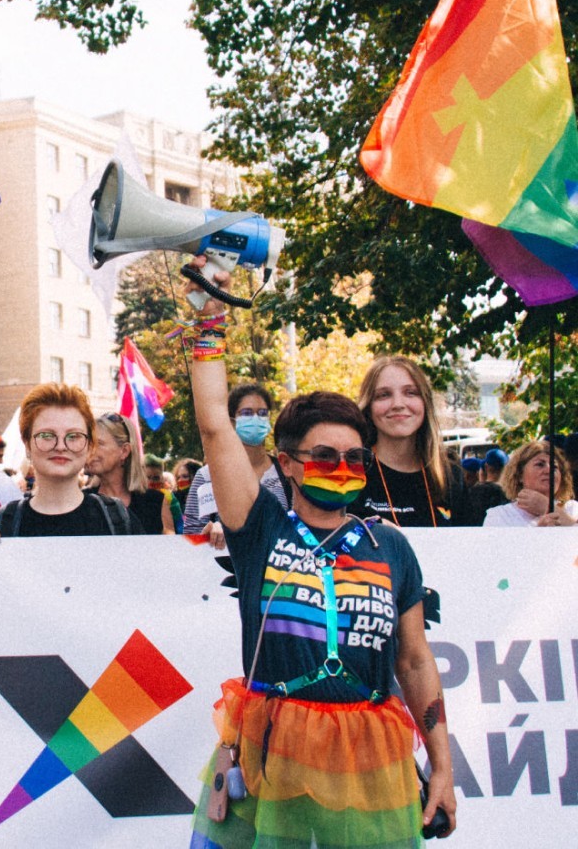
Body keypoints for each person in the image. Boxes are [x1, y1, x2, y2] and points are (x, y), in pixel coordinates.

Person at [185, 261, 456, 846]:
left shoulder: (391, 546)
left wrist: (443, 770)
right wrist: (209, 317)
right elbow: (214, 425)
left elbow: (412, 662)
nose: (342, 469)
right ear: (286, 463)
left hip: (372, 761)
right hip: (269, 752)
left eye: (354, 458)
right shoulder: (260, 527)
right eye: (323, 455)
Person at [0, 384, 142, 551]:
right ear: (27, 444)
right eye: (47, 435)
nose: (61, 446)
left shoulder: (117, 519)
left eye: (73, 436)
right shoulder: (3, 524)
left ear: (89, 446)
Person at [356, 356, 458, 527]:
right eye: (383, 395)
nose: (398, 404)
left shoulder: (450, 475)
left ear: (425, 403)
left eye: (410, 392)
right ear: (369, 407)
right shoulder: (351, 472)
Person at [183, 383, 288, 547]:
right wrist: (210, 533)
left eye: (262, 413)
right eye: (247, 413)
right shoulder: (208, 476)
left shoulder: (286, 473)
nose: (255, 419)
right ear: (231, 421)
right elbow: (191, 537)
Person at [84, 414, 172, 534]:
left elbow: (169, 548)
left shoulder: (154, 502)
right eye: (88, 444)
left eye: (99, 444)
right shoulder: (82, 502)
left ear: (124, 451)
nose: (89, 450)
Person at [483, 440, 578, 527]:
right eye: (540, 464)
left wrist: (547, 506)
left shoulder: (572, 509)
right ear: (519, 474)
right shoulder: (500, 516)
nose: (549, 470)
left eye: (555, 466)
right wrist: (538, 533)